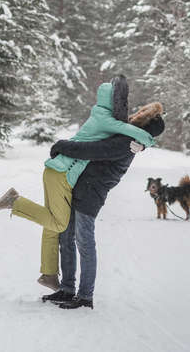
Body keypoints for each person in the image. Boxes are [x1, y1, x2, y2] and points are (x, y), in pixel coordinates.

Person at [0, 76, 155, 290]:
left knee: (52, 224)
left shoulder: (101, 115)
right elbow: (136, 132)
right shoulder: (107, 120)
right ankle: (15, 202)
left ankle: (49, 275)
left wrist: (142, 144)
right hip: (62, 174)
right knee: (59, 224)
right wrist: (147, 143)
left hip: (54, 171)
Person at [41, 102, 165, 309]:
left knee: (84, 242)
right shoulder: (126, 134)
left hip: (91, 194)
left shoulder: (128, 142)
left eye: (143, 113)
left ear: (144, 124)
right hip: (79, 188)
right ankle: (67, 289)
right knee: (66, 237)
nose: (138, 112)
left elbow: (94, 150)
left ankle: (85, 296)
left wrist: (62, 146)